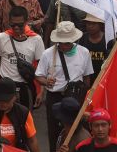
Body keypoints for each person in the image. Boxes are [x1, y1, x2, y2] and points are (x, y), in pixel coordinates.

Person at [35, 21, 94, 150]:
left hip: (75, 98)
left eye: (67, 42)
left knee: (76, 130)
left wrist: (85, 97)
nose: (64, 45)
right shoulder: (48, 54)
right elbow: (38, 75)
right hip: (55, 97)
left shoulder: (84, 52)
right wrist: (46, 82)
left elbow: (87, 78)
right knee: (55, 131)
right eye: (61, 42)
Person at [0, 6, 45, 109]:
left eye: (20, 25)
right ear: (9, 22)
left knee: (24, 122)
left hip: (26, 88)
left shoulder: (36, 40)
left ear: (26, 22)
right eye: (13, 24)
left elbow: (41, 69)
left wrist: (41, 92)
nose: (16, 28)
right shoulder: (1, 38)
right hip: (4, 88)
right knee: (3, 123)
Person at [77, 14, 107, 84]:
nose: (90, 26)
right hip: (85, 78)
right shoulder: (82, 38)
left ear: (100, 25)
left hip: (101, 78)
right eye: (88, 23)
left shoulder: (107, 39)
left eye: (94, 24)